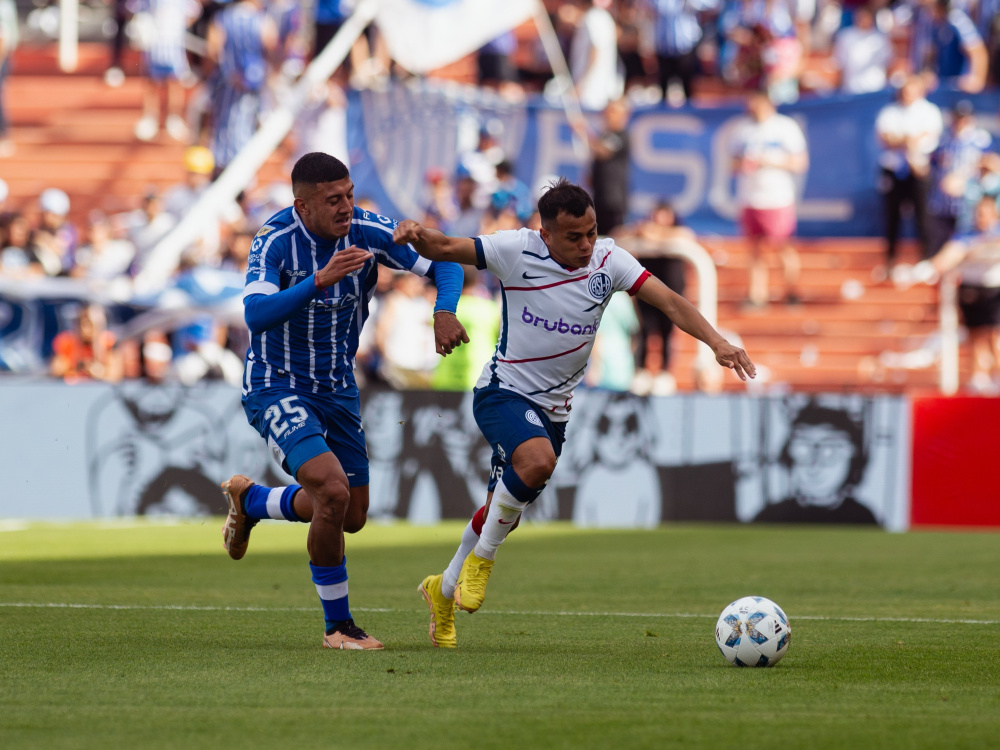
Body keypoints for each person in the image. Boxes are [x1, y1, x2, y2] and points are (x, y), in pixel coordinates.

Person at [393, 178, 754, 648]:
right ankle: (482, 562)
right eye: (573, 236)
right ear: (545, 234)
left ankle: (441, 592)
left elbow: (668, 301)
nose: (586, 244)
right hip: (504, 391)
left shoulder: (609, 259)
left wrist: (718, 342)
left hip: (556, 410)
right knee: (536, 463)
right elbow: (444, 246)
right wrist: (417, 233)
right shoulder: (515, 250)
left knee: (504, 509)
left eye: (591, 232)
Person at [219, 153, 466, 650]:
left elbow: (445, 265)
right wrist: (319, 280)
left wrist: (443, 311)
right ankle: (338, 627)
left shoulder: (370, 231)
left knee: (350, 514)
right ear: (302, 206)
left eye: (350, 194)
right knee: (331, 493)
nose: (347, 207)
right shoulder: (275, 241)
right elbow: (256, 314)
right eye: (334, 200)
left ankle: (253, 501)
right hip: (277, 383)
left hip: (337, 387)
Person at [731, 90, 808, 307]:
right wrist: (743, 164)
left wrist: (767, 161)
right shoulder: (742, 130)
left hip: (777, 197)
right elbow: (732, 164)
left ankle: (791, 291)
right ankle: (757, 295)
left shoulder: (785, 127)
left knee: (783, 246)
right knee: (754, 249)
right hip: (750, 197)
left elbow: (800, 162)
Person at [753, 402, 877, 524]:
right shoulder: (772, 517)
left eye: (829, 451)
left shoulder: (862, 518)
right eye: (803, 449)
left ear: (852, 458)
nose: (814, 464)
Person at [874, 74, 943, 272]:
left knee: (923, 215)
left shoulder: (929, 111)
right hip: (894, 171)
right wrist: (908, 141)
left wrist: (903, 141)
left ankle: (927, 260)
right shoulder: (890, 111)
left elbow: (928, 137)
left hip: (919, 170)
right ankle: (890, 261)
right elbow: (886, 137)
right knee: (891, 217)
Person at [832, 4, 892, 95]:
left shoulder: (881, 38)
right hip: (850, 88)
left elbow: (888, 63)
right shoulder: (845, 36)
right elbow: (840, 63)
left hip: (875, 87)